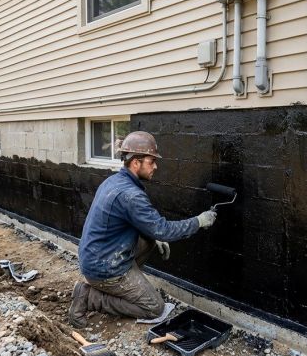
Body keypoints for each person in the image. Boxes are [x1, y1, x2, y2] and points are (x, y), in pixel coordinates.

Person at [68, 131, 217, 328]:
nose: (155, 166)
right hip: (104, 267)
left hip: (97, 254)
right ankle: (89, 297)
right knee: (154, 308)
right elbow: (163, 229)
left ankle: (125, 285)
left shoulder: (113, 181)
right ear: (135, 162)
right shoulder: (131, 196)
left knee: (149, 239)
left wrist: (155, 235)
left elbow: (145, 226)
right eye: (151, 161)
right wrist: (199, 221)